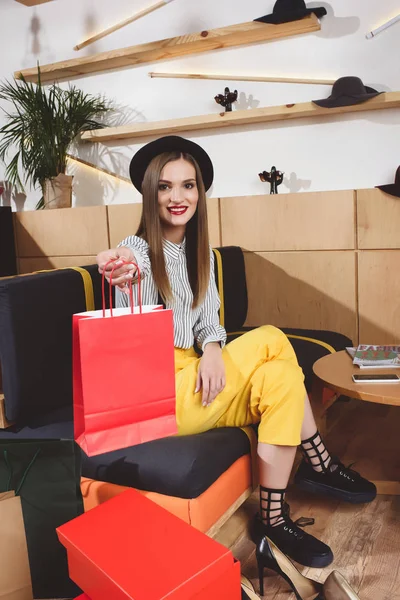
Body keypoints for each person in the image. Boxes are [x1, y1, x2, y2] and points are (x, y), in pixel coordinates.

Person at [96, 136, 375, 593]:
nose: (177, 197)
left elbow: (211, 324)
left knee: (280, 377)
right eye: (165, 187)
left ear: (200, 192)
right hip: (161, 394)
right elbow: (122, 262)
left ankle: (272, 519)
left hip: (199, 384)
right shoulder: (139, 247)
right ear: (150, 194)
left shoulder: (202, 255)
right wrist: (114, 264)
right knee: (271, 338)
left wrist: (211, 351)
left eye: (188, 186)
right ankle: (320, 461)